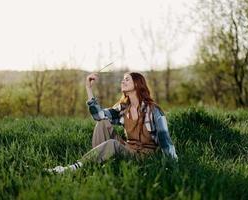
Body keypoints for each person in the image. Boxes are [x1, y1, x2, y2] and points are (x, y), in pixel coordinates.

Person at [47, 72, 177, 174]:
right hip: (128, 149)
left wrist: (172, 165)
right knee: (102, 123)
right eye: (123, 79)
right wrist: (88, 89)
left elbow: (165, 140)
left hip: (144, 157)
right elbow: (99, 116)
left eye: (127, 79)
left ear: (137, 84)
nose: (123, 81)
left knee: (112, 144)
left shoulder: (153, 110)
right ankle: (97, 164)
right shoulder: (123, 108)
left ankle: (73, 168)